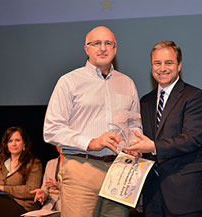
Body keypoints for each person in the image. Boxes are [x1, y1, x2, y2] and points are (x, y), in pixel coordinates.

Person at [43, 26, 140, 217]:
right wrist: (91, 142)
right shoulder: (69, 81)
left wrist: (135, 144)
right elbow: (52, 129)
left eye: (108, 43)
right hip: (81, 169)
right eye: (96, 43)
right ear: (86, 49)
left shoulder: (127, 83)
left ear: (115, 48)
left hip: (119, 172)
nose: (102, 48)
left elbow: (134, 125)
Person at [123, 40, 202, 217]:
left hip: (186, 194)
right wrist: (135, 149)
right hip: (152, 195)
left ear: (179, 65)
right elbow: (143, 140)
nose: (162, 68)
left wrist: (153, 147)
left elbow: (192, 139)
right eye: (157, 63)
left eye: (169, 62)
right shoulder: (146, 101)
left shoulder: (194, 96)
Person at [0, 126, 43, 217]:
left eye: (17, 140)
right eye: (10, 141)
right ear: (6, 144)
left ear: (24, 143)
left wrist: (3, 188)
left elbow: (31, 190)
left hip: (21, 205)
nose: (14, 144)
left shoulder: (34, 163)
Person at [29, 146, 64, 212]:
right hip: (49, 207)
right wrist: (43, 194)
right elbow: (45, 188)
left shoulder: (76, 165)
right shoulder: (51, 163)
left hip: (66, 208)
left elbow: (78, 191)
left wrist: (59, 186)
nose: (61, 145)